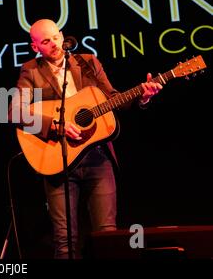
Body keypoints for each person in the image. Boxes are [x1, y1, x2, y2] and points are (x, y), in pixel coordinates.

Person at [9, 19, 163, 258]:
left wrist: (142, 97)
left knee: (108, 236)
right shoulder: (31, 70)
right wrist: (57, 126)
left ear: (62, 35)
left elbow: (113, 99)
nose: (54, 44)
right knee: (64, 242)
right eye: (46, 41)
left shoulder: (88, 62)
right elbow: (15, 112)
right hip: (59, 164)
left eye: (56, 37)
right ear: (35, 47)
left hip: (97, 158)